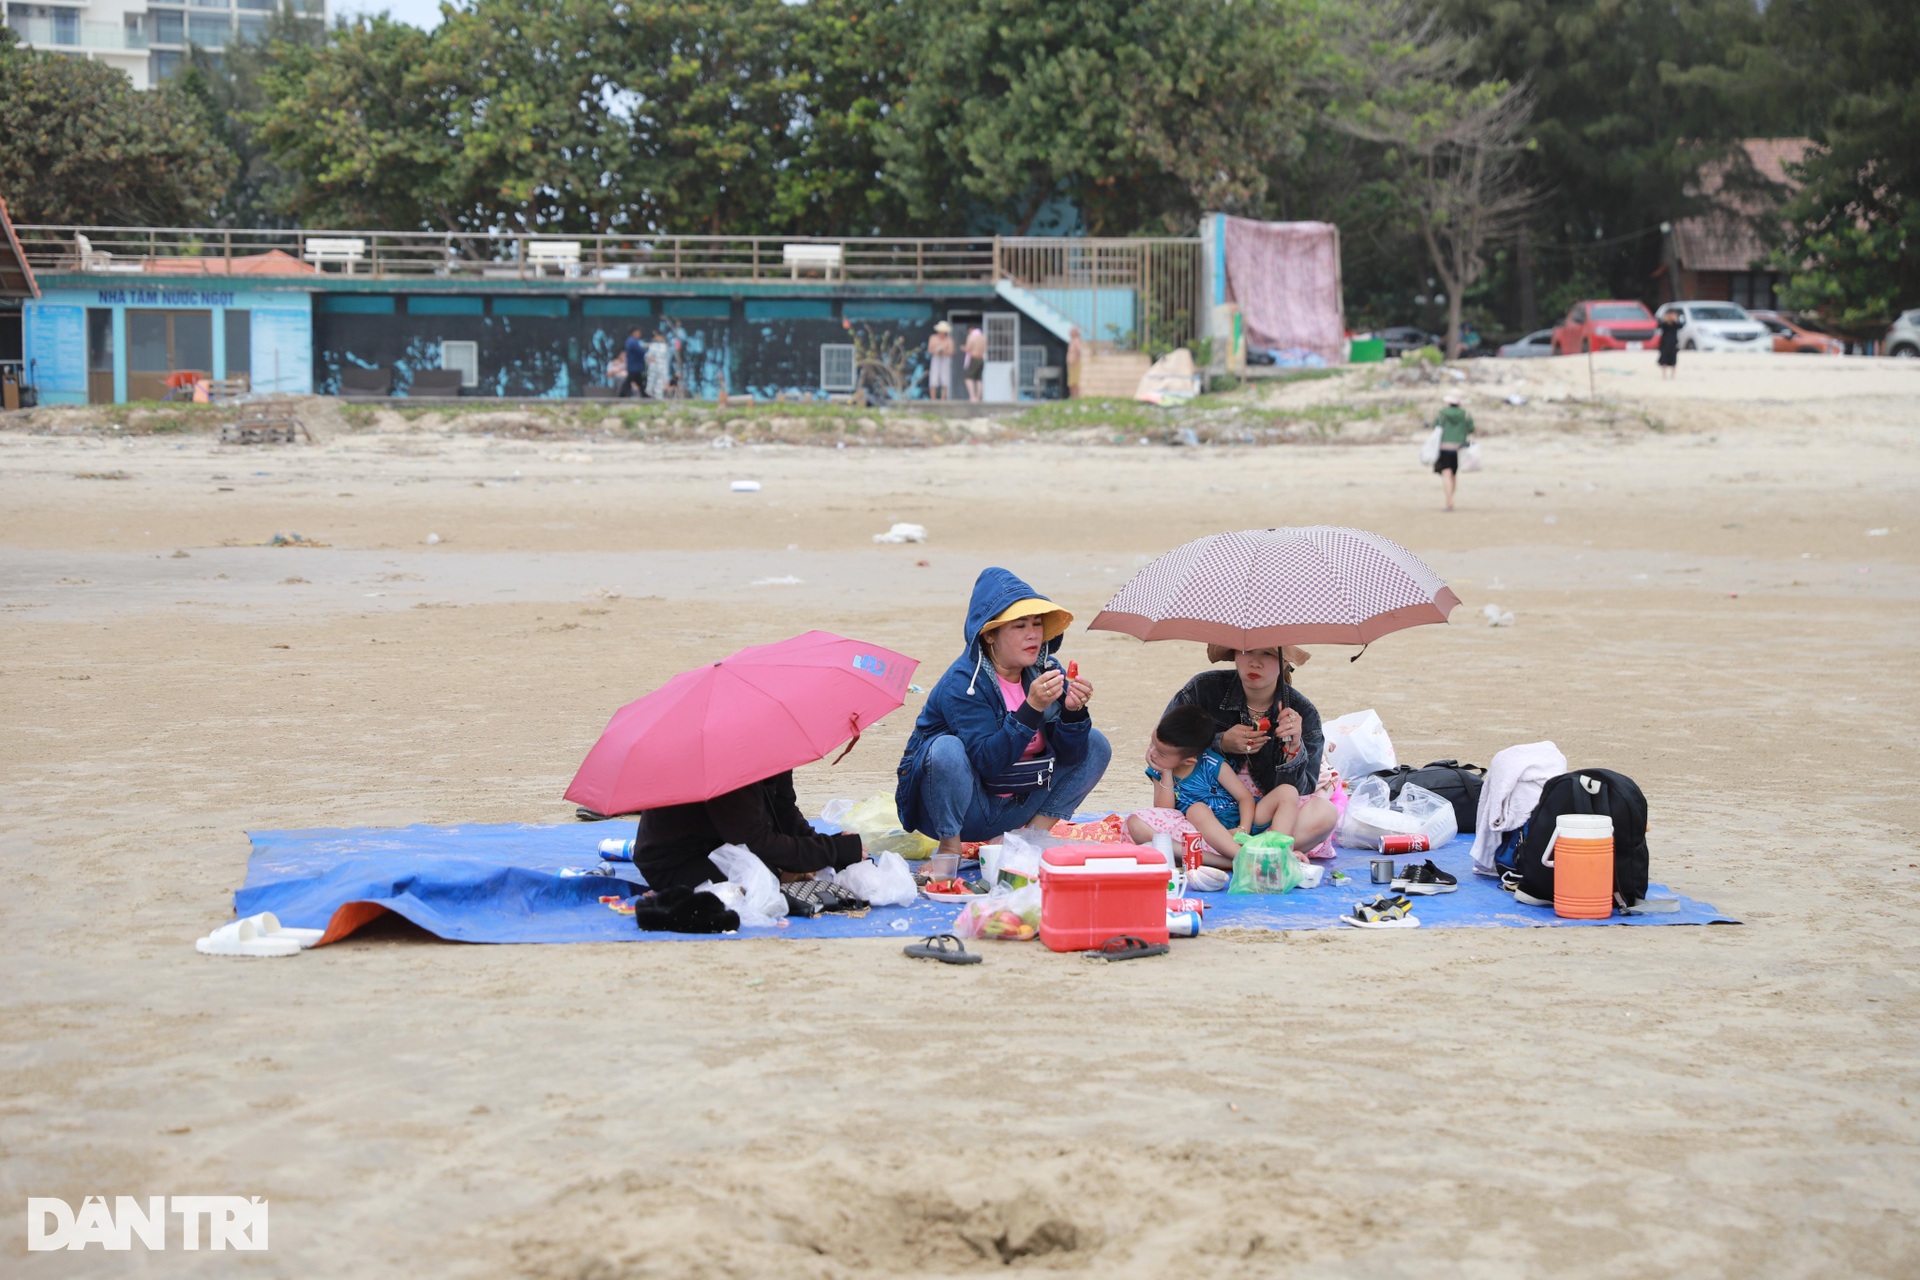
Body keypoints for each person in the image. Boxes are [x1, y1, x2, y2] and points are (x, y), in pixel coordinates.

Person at [895, 568, 1111, 860]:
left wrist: (1073, 714)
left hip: (1017, 804)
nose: (1033, 634)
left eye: (1037, 624)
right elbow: (988, 764)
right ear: (990, 635)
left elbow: (1071, 757)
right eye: (1020, 626)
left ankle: (1029, 837)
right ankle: (949, 848)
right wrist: (1030, 708)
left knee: (1095, 744)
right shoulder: (962, 684)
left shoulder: (1046, 671)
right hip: (962, 807)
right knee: (945, 749)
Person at [1149, 645, 1339, 860]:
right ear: (1234, 654)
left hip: (1265, 816)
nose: (1254, 662)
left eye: (1267, 654)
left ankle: (1249, 852)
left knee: (1325, 814)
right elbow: (1164, 745)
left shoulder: (1303, 711)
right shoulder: (1202, 689)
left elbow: (1301, 791)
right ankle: (1251, 858)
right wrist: (1220, 742)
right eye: (1246, 651)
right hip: (1200, 815)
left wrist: (1293, 749)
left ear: (1284, 661)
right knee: (1141, 826)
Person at [632, 769, 864, 893]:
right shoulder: (729, 766)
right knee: (764, 880)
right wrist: (831, 850)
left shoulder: (775, 746)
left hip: (720, 840)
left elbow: (783, 808)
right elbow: (754, 841)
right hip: (675, 862)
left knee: (779, 867)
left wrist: (822, 845)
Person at [1126, 704, 1288, 866]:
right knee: (1196, 809)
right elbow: (1164, 812)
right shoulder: (1159, 771)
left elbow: (1244, 797)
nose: (1152, 753)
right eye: (1152, 744)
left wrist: (1243, 829)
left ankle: (1280, 851)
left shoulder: (1211, 762)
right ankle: (1243, 859)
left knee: (1287, 792)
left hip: (1237, 820)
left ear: (1189, 760)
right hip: (1202, 830)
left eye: (1161, 752)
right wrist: (1166, 772)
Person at [1433, 390, 1475, 511]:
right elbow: (1471, 428)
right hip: (1459, 448)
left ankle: (1448, 500)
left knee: (1446, 474)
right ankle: (1451, 499)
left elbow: (1436, 427)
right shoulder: (1465, 414)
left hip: (1444, 447)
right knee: (1454, 474)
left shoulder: (1442, 413)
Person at [927, 321, 954, 401]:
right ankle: (933, 399)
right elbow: (930, 349)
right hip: (936, 358)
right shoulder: (933, 338)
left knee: (945, 379)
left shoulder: (949, 340)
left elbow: (951, 351)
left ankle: (943, 399)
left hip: (945, 359)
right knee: (933, 379)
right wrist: (937, 351)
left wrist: (944, 351)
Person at [620, 328, 648, 398]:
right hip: (635, 365)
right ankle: (622, 393)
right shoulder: (633, 341)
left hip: (635, 365)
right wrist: (646, 353)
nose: (640, 334)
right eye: (638, 332)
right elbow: (640, 351)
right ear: (634, 333)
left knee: (638, 381)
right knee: (629, 380)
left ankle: (643, 394)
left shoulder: (631, 341)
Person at [963, 326, 987, 402]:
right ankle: (978, 397)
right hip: (981, 359)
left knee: (968, 378)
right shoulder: (983, 337)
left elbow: (969, 348)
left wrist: (962, 348)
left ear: (971, 329)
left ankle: (972, 397)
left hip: (974, 358)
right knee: (979, 379)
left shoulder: (971, 337)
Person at [1657, 310, 1683, 381]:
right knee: (1664, 358)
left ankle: (1673, 375)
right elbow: (1659, 326)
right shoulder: (1664, 324)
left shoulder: (1675, 324)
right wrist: (1666, 320)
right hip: (1665, 343)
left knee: (1673, 359)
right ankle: (1664, 374)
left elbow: (1680, 326)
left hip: (1673, 343)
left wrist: (1675, 320)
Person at [644, 331, 670, 400]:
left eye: (657, 336)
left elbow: (666, 360)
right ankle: (649, 398)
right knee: (650, 385)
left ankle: (658, 399)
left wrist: (666, 375)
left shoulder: (665, 346)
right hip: (653, 368)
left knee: (659, 385)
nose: (656, 337)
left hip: (661, 368)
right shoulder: (652, 345)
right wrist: (649, 359)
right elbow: (648, 355)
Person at [1065, 326, 1084, 399]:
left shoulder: (1076, 341)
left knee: (1075, 381)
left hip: (1075, 364)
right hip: (1071, 363)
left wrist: (1076, 359)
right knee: (1071, 382)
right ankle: (1072, 396)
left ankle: (1076, 396)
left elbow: (1079, 351)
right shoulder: (1072, 341)